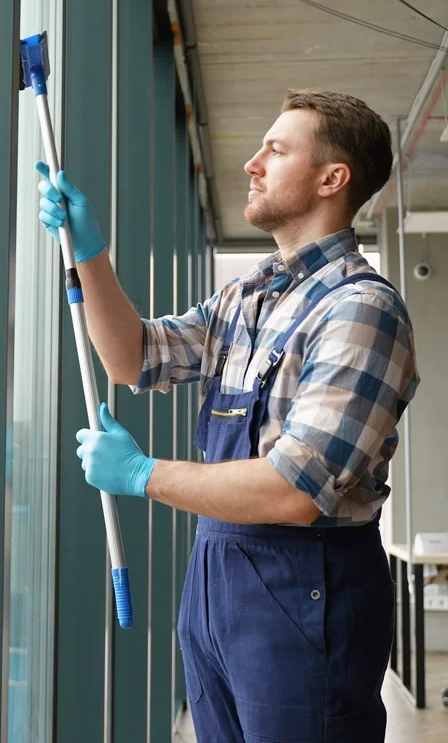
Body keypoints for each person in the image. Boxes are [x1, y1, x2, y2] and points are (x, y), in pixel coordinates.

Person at [36, 88, 419, 743]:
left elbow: (296, 489)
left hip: (307, 595)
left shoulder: (361, 311)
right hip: (217, 587)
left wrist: (142, 473)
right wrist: (87, 252)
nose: (252, 162)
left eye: (276, 148)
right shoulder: (248, 297)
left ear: (333, 178)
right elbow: (134, 356)